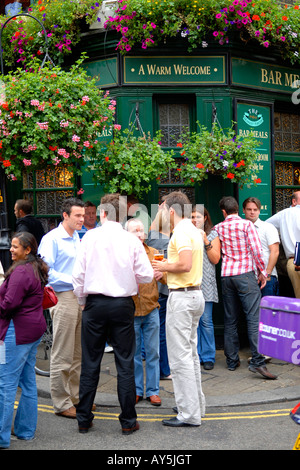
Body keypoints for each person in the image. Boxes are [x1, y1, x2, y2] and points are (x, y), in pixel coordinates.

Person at [72, 193, 154, 435]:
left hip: (94, 305)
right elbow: (147, 275)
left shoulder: (89, 237)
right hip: (122, 305)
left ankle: (84, 419)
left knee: (90, 362)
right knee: (125, 363)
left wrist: (82, 301)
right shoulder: (131, 241)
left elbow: (78, 276)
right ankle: (128, 421)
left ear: (103, 213)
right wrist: (130, 277)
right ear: (124, 213)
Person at [152, 191, 206, 428]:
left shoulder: (181, 232)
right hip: (194, 295)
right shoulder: (194, 230)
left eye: (162, 208)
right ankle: (196, 406)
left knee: (180, 357)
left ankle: (188, 413)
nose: (161, 213)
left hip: (182, 299)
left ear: (171, 211)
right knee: (191, 354)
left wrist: (164, 265)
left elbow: (185, 264)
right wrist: (165, 271)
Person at [214, 196, 277, 379]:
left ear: (224, 212)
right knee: (253, 318)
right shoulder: (247, 225)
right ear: (237, 210)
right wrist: (262, 272)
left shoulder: (218, 227)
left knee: (230, 319)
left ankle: (232, 361)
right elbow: (257, 250)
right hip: (245, 275)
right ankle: (257, 362)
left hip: (227, 276)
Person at [0, 232, 48, 449]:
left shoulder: (20, 272)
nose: (11, 249)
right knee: (27, 382)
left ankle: (2, 438)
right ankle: (25, 431)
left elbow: (8, 304)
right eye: (11, 246)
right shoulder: (34, 268)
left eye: (15, 247)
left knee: (5, 384)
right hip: (33, 330)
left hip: (16, 332)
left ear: (27, 250)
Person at [38, 198, 85, 418]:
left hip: (78, 296)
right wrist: (75, 280)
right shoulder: (52, 239)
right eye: (78, 215)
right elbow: (46, 272)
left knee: (77, 352)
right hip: (62, 296)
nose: (82, 219)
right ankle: (61, 401)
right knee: (63, 351)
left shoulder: (77, 237)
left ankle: (74, 397)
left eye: (83, 215)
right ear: (65, 215)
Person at [126, 218, 166, 406]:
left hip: (151, 309)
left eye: (141, 230)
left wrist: (162, 274)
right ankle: (136, 390)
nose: (140, 234)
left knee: (153, 353)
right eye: (135, 231)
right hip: (131, 311)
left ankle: (152, 391)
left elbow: (166, 277)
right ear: (127, 234)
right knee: (133, 354)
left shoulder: (155, 253)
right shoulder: (122, 254)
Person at [191, 205, 220, 371]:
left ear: (206, 218)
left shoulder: (213, 234)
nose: (195, 220)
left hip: (206, 283)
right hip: (190, 283)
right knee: (193, 322)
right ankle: (195, 355)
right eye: (192, 217)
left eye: (198, 217)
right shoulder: (185, 235)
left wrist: (205, 240)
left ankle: (208, 356)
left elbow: (215, 259)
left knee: (206, 321)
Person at [147, 209, 172, 380]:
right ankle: (165, 369)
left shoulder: (151, 238)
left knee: (157, 332)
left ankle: (161, 368)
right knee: (164, 333)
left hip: (154, 291)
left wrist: (159, 213)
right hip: (166, 291)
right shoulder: (169, 241)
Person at [243, 197, 280, 297]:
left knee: (267, 310)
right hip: (247, 277)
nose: (252, 212)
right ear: (243, 210)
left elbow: (275, 251)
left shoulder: (268, 227)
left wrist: (266, 274)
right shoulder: (240, 228)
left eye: (255, 210)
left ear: (259, 211)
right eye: (249, 209)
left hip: (267, 277)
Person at [266, 191, 300, 298]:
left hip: (293, 260)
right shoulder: (286, 213)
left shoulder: (284, 214)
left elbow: (265, 226)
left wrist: (279, 237)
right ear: (294, 201)